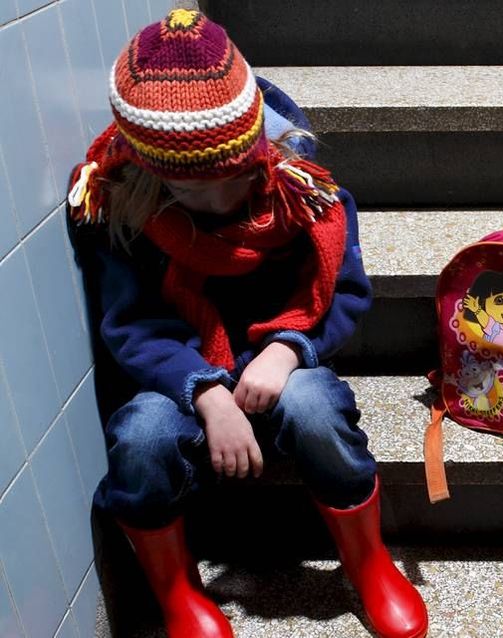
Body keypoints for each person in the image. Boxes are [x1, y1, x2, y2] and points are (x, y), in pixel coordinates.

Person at [66, 9, 428, 638]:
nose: (215, 202)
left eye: (230, 179)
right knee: (142, 438)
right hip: (179, 371)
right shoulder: (123, 206)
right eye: (189, 189)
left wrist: (288, 349)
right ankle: (177, 590)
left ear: (257, 146)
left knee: (315, 410)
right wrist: (205, 392)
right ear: (149, 170)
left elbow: (343, 293)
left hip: (279, 354)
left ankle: (368, 563)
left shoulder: (302, 192)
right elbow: (130, 326)